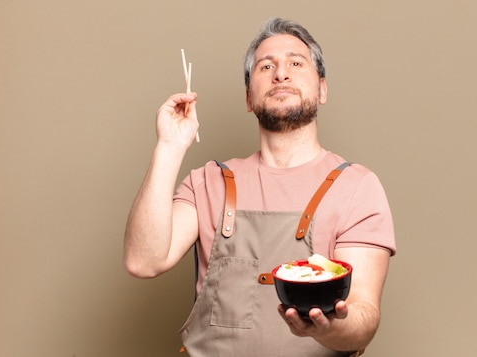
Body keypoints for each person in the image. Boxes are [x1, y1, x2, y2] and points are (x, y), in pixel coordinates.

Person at [124, 17, 396, 357]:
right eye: (266, 66)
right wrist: (169, 146)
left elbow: (364, 317)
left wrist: (330, 328)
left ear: (322, 88)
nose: (280, 74)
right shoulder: (208, 182)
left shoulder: (357, 187)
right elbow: (143, 261)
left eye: (296, 63)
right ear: (249, 98)